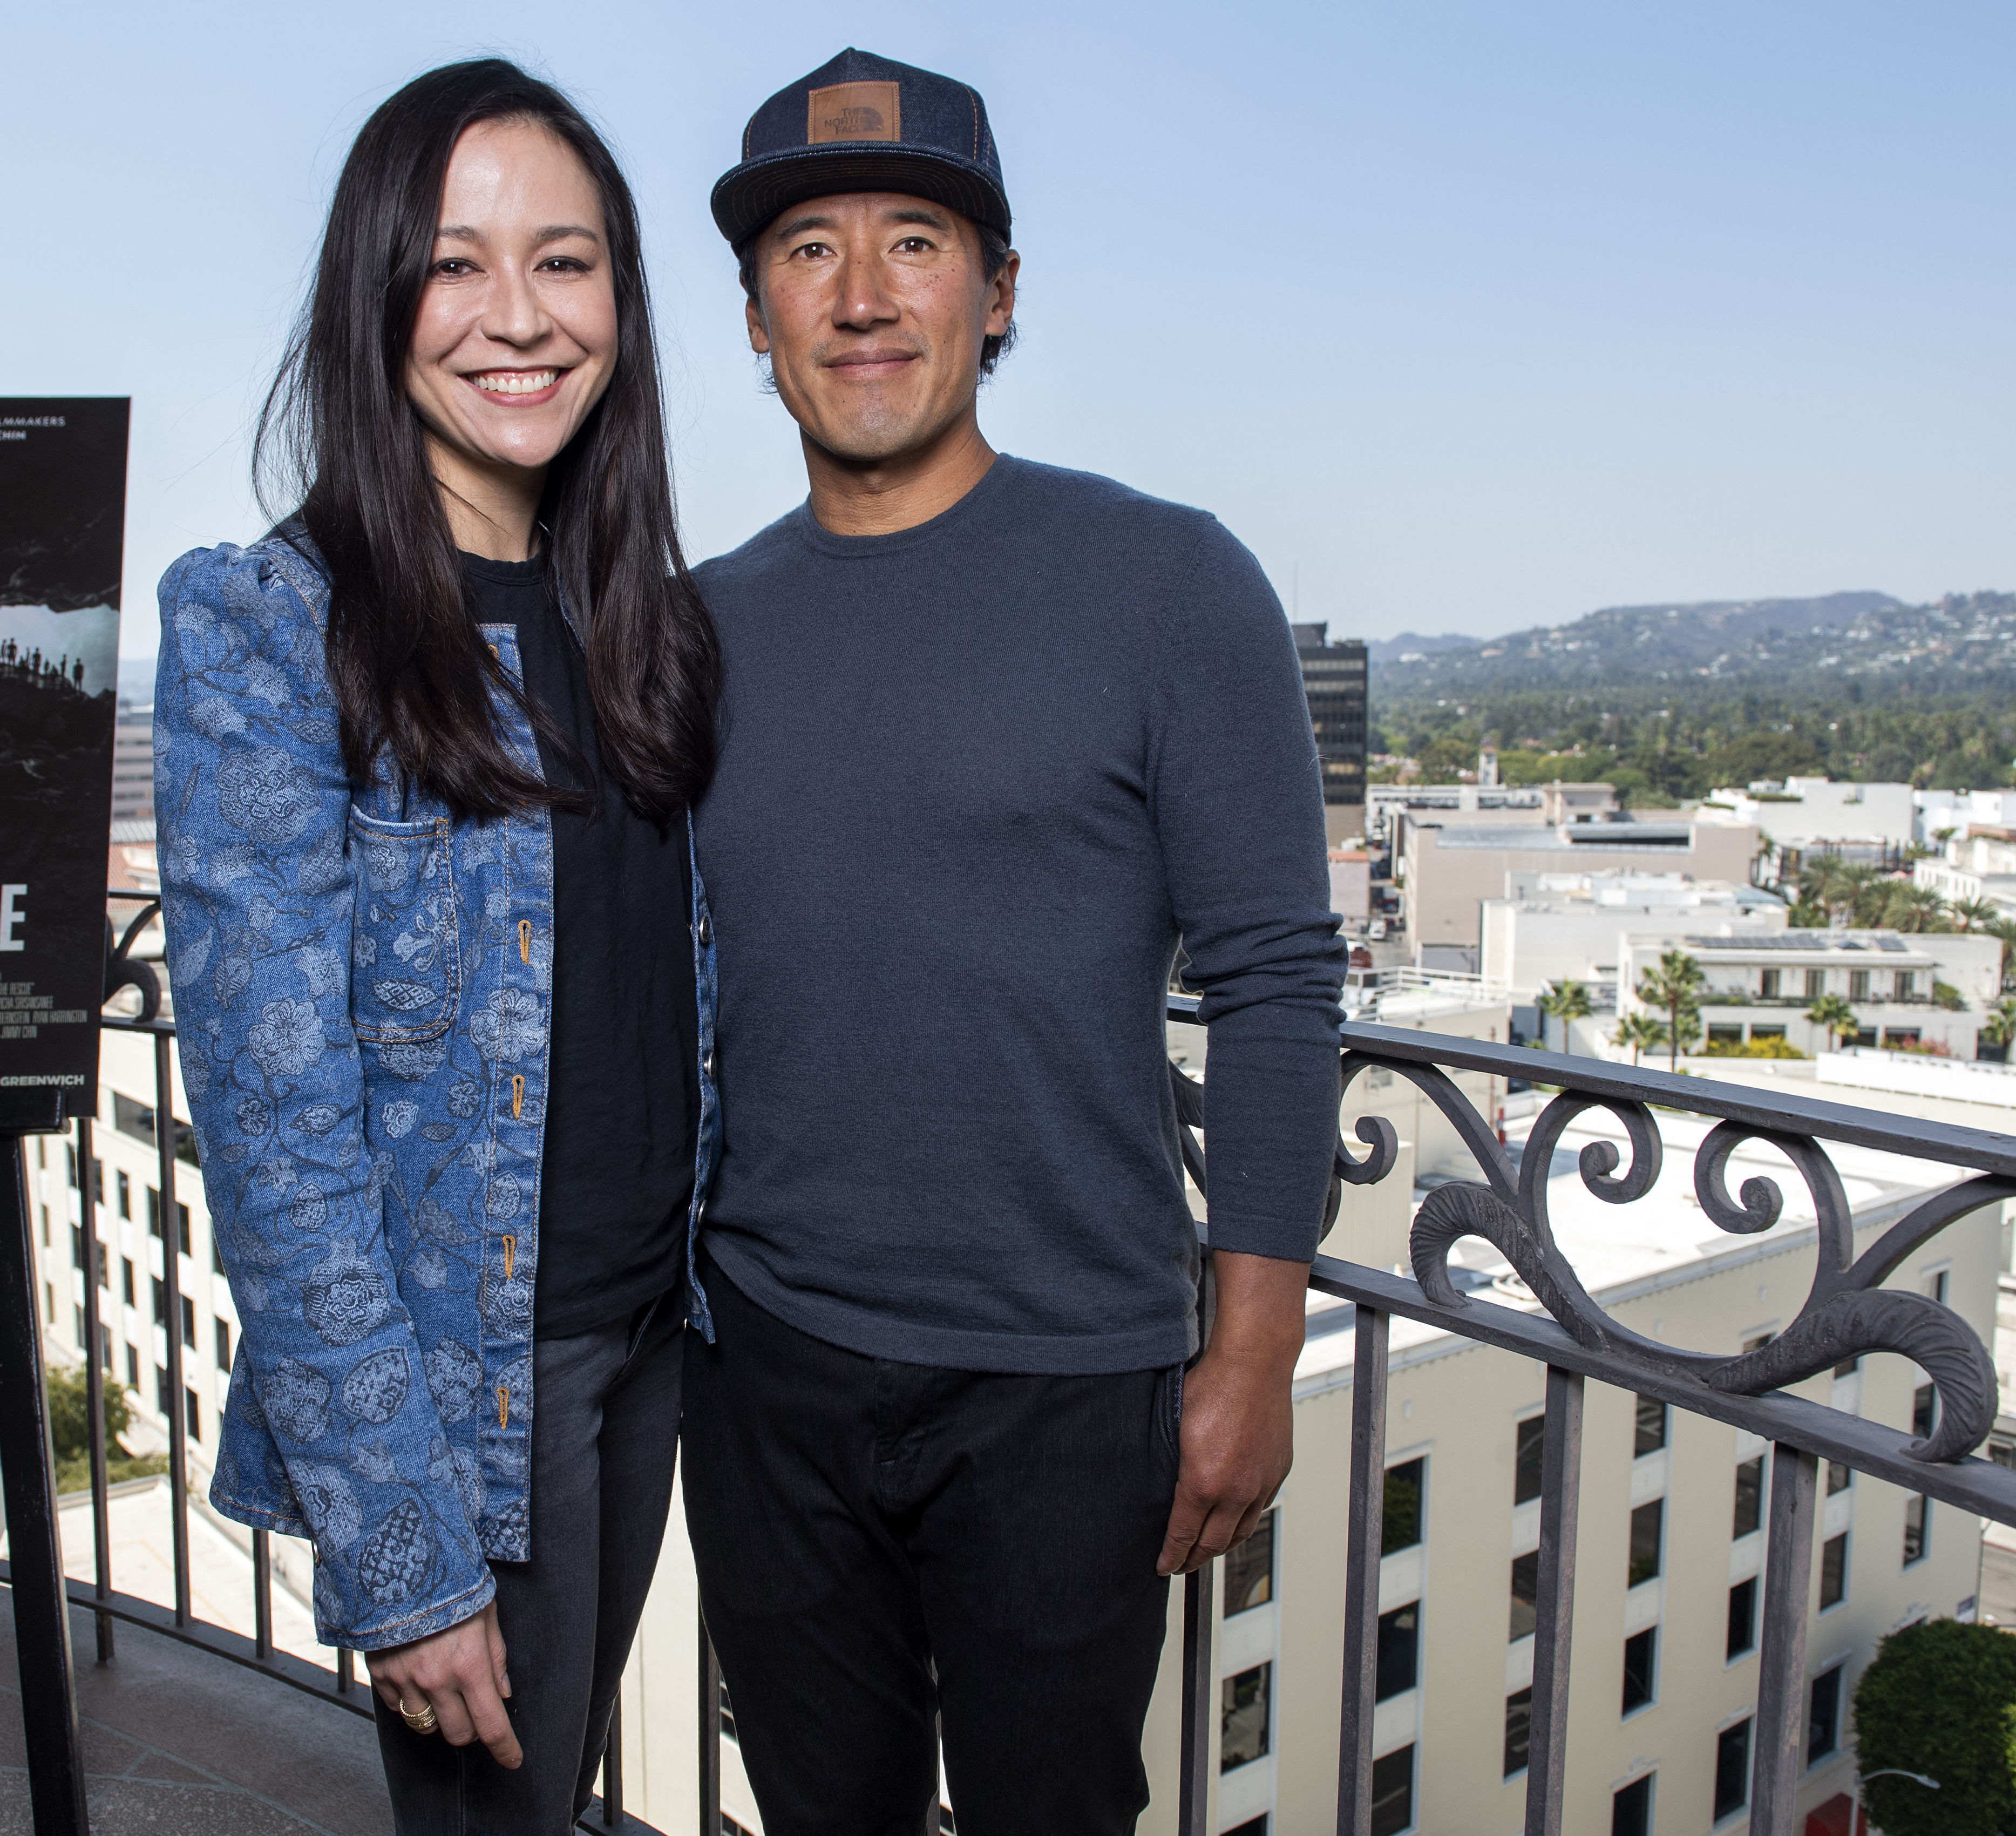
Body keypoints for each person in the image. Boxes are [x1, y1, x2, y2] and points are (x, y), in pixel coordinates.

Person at [682, 48, 1348, 1834]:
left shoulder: (1169, 583)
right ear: (755, 316)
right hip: (765, 1366)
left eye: (917, 239)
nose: (867, 294)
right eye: (811, 252)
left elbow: (1279, 978)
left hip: (1065, 1389)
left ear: (997, 290)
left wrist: (1255, 1353)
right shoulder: (692, 631)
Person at [154, 59, 721, 1834]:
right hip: (479, 1386)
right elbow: (277, 1134)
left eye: (565, 263)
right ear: (376, 293)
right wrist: (404, 1552)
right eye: (456, 265)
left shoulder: (644, 623)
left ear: (621, 304)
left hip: (659, 1333)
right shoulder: (273, 627)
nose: (517, 318)